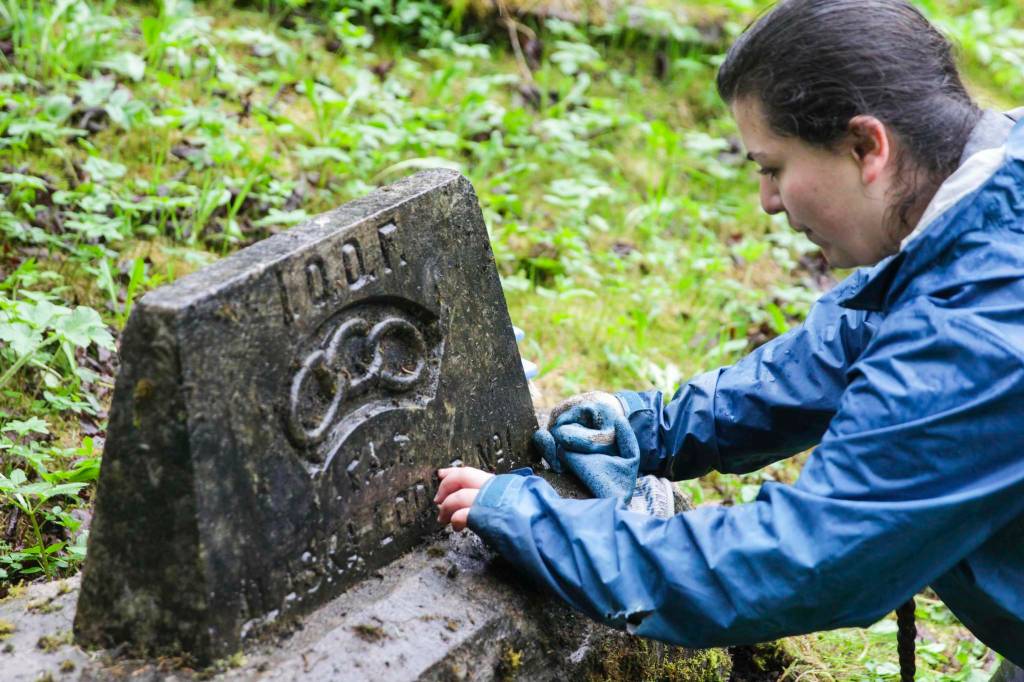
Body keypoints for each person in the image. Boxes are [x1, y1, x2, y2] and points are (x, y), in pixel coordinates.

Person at [434, 0, 1024, 672]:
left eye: (772, 168)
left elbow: (804, 561)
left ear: (867, 147)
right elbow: (837, 351)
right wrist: (652, 425)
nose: (768, 201)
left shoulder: (983, 322)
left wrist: (536, 521)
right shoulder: (984, 208)